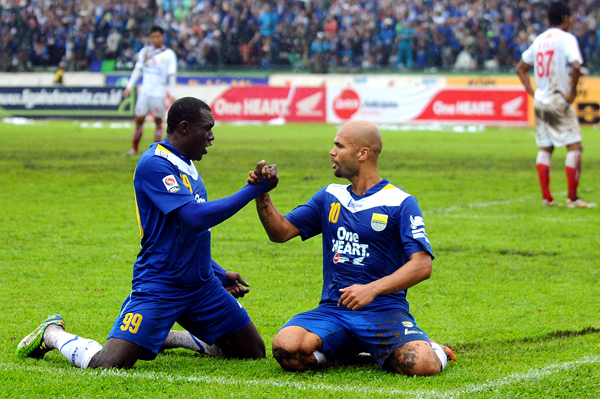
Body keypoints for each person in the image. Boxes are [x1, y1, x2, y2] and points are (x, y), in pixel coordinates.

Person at [16, 97, 279, 369]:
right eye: (207, 128)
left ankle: (169, 337)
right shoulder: (154, 163)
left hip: (201, 287)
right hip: (160, 284)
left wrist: (219, 273)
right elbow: (192, 218)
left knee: (251, 352)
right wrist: (252, 191)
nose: (212, 136)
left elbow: (184, 236)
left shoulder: (187, 163)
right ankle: (52, 333)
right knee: (109, 364)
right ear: (186, 128)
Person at [248, 120, 455, 376]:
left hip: (384, 311)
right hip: (334, 310)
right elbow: (280, 233)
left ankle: (438, 351)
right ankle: (343, 355)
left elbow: (423, 265)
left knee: (421, 364)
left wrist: (372, 289)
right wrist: (260, 193)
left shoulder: (400, 202)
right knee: (285, 347)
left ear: (363, 153)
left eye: (339, 146)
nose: (332, 152)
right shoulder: (330, 196)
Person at [516, 1, 596, 208]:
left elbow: (521, 68)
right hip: (558, 99)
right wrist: (572, 92)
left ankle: (547, 198)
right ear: (566, 19)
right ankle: (573, 198)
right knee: (575, 146)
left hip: (541, 101)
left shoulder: (540, 39)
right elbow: (576, 65)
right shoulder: (567, 38)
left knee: (546, 147)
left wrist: (533, 92)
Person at [122, 26, 177, 156]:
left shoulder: (169, 54)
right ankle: (134, 148)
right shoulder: (145, 52)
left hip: (159, 92)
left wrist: (173, 94)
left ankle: (155, 152)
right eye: (153, 37)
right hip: (145, 92)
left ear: (163, 37)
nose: (155, 39)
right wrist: (129, 86)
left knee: (158, 121)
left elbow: (172, 75)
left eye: (158, 36)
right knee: (139, 119)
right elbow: (137, 69)